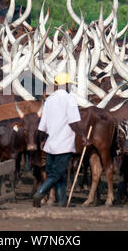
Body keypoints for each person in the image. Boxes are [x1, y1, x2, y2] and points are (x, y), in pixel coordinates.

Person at [33, 73, 90, 207]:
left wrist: (42, 140)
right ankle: (39, 193)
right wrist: (83, 136)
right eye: (69, 84)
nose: (70, 86)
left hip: (51, 144)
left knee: (59, 174)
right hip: (64, 144)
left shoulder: (49, 100)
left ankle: (62, 202)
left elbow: (42, 126)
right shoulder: (70, 99)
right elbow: (73, 122)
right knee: (56, 174)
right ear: (65, 85)